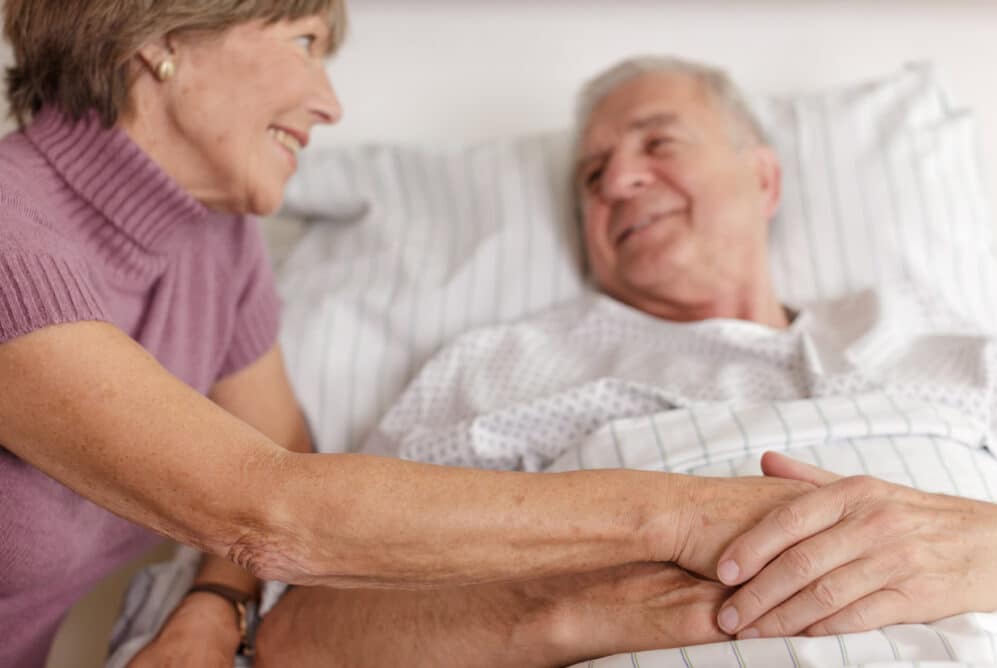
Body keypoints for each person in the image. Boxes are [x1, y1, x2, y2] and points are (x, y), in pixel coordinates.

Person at [0, 5, 810, 666]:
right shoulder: (11, 230)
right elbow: (269, 507)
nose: (331, 104)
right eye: (305, 42)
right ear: (164, 36)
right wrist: (678, 517)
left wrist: (214, 607)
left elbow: (282, 458)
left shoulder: (221, 244)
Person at [247, 57, 997, 666]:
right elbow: (309, 635)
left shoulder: (938, 336)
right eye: (592, 177)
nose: (618, 182)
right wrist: (581, 607)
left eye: (659, 143)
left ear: (762, 178)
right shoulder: (503, 369)